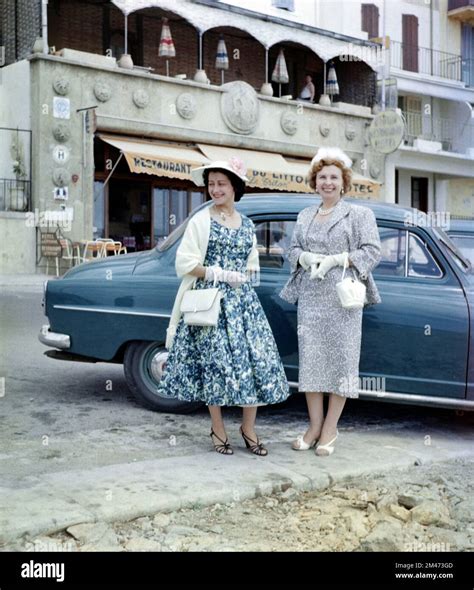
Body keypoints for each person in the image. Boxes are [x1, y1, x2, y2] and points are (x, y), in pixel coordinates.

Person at [158, 158, 290, 456]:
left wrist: (245, 278)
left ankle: (248, 427)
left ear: (235, 187)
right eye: (211, 184)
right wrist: (218, 273)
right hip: (210, 302)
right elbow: (185, 263)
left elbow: (252, 265)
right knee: (214, 364)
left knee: (254, 362)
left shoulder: (247, 224)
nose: (215, 190)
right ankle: (217, 427)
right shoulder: (201, 220)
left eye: (221, 184)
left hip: (242, 303)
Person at [280, 147, 381, 456]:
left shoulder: (360, 214)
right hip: (311, 298)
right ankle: (313, 426)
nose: (327, 182)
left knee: (341, 363)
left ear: (343, 181)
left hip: (344, 299)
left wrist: (341, 258)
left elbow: (373, 251)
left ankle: (330, 428)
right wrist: (305, 257)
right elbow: (292, 250)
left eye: (333, 177)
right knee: (311, 362)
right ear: (315, 181)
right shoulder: (305, 215)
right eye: (322, 177)